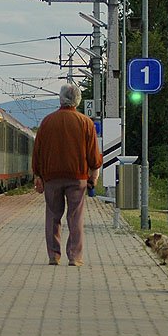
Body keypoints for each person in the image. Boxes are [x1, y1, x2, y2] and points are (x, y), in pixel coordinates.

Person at [31, 83, 102, 267]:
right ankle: (74, 257)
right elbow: (93, 155)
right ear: (77, 100)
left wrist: (38, 175)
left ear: (60, 98)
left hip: (52, 178)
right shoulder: (86, 123)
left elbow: (37, 151)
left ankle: (54, 255)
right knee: (75, 216)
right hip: (77, 177)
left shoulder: (47, 122)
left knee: (53, 216)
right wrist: (93, 176)